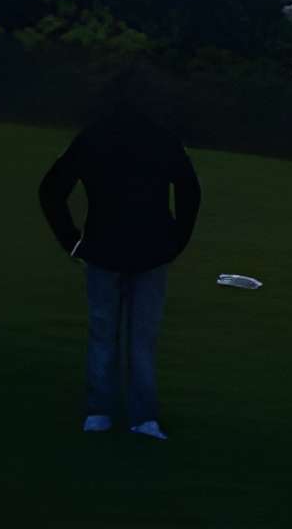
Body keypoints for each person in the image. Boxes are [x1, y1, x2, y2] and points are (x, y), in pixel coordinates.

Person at [37, 81, 203, 438]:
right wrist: (177, 239)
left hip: (105, 248)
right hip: (150, 249)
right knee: (141, 340)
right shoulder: (162, 139)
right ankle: (142, 417)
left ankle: (100, 412)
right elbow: (190, 190)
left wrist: (71, 241)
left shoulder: (94, 137)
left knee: (103, 335)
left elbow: (51, 189)